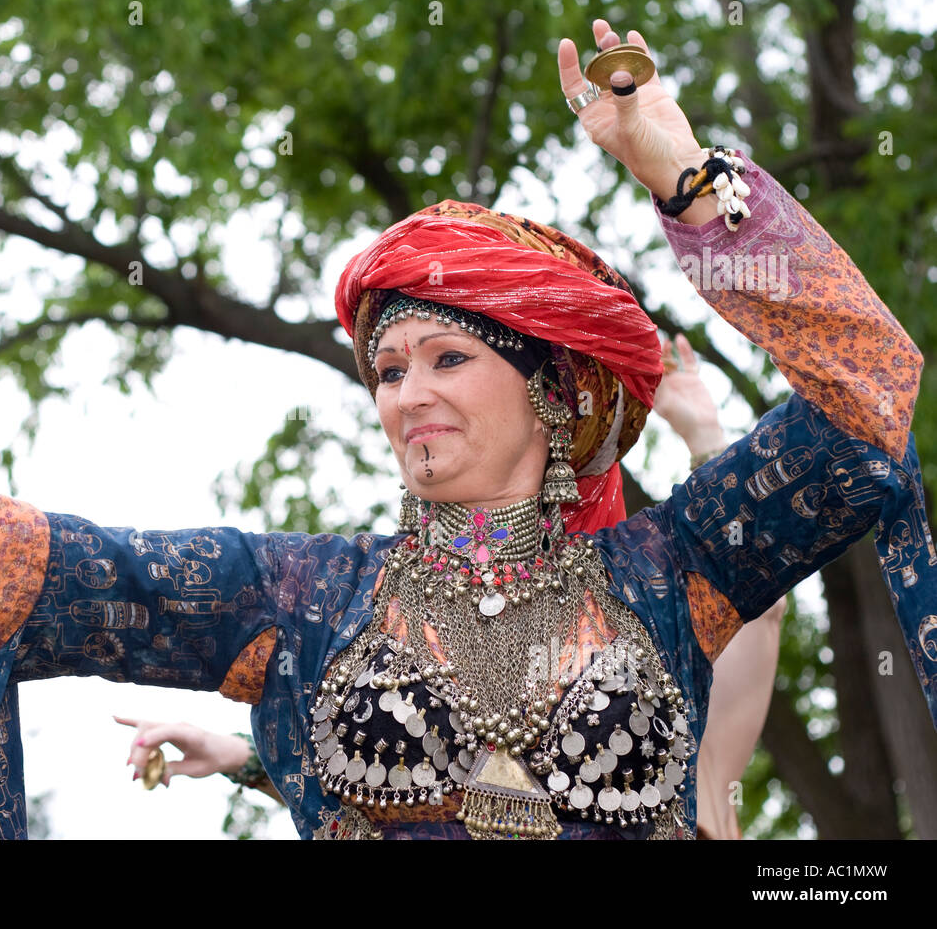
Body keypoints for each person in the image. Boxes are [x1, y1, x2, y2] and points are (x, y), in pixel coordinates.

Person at [0, 21, 935, 840]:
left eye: (448, 356)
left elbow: (867, 395)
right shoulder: (304, 593)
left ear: (553, 389)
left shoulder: (674, 573)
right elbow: (62, 567)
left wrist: (683, 172)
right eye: (385, 368)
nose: (407, 391)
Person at [117, 333, 789, 840]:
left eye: (450, 360)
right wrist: (241, 759)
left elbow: (754, 601)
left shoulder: (684, 738)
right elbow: (410, 796)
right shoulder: (404, 634)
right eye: (391, 372)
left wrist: (704, 434)